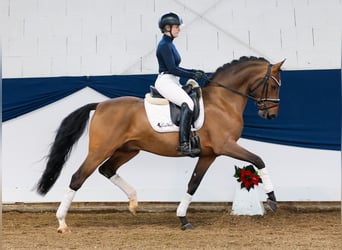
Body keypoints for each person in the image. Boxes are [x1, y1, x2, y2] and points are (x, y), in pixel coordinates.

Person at [154, 12, 205, 156]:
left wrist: (194, 71)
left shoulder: (170, 44)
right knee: (188, 103)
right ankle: (184, 144)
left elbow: (176, 69)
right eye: (176, 27)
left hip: (173, 81)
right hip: (165, 81)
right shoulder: (164, 45)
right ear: (167, 28)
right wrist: (192, 74)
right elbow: (172, 69)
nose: (179, 29)